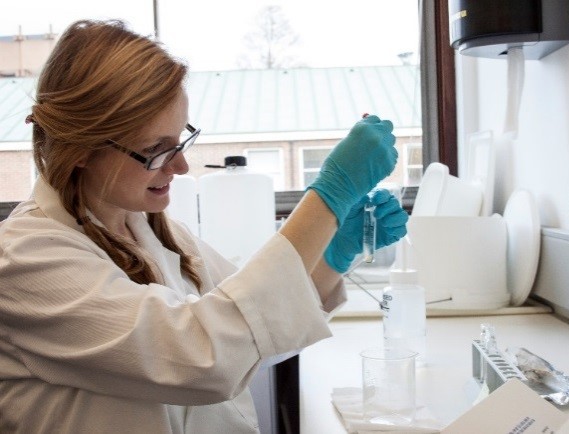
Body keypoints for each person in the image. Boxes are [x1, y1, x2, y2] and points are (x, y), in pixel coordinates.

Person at [0, 19, 409, 433]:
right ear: (82, 149)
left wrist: (333, 256)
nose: (179, 166)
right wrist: (329, 197)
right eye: (154, 151)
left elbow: (252, 337)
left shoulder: (154, 231)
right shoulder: (25, 261)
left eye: (180, 139)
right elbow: (202, 359)